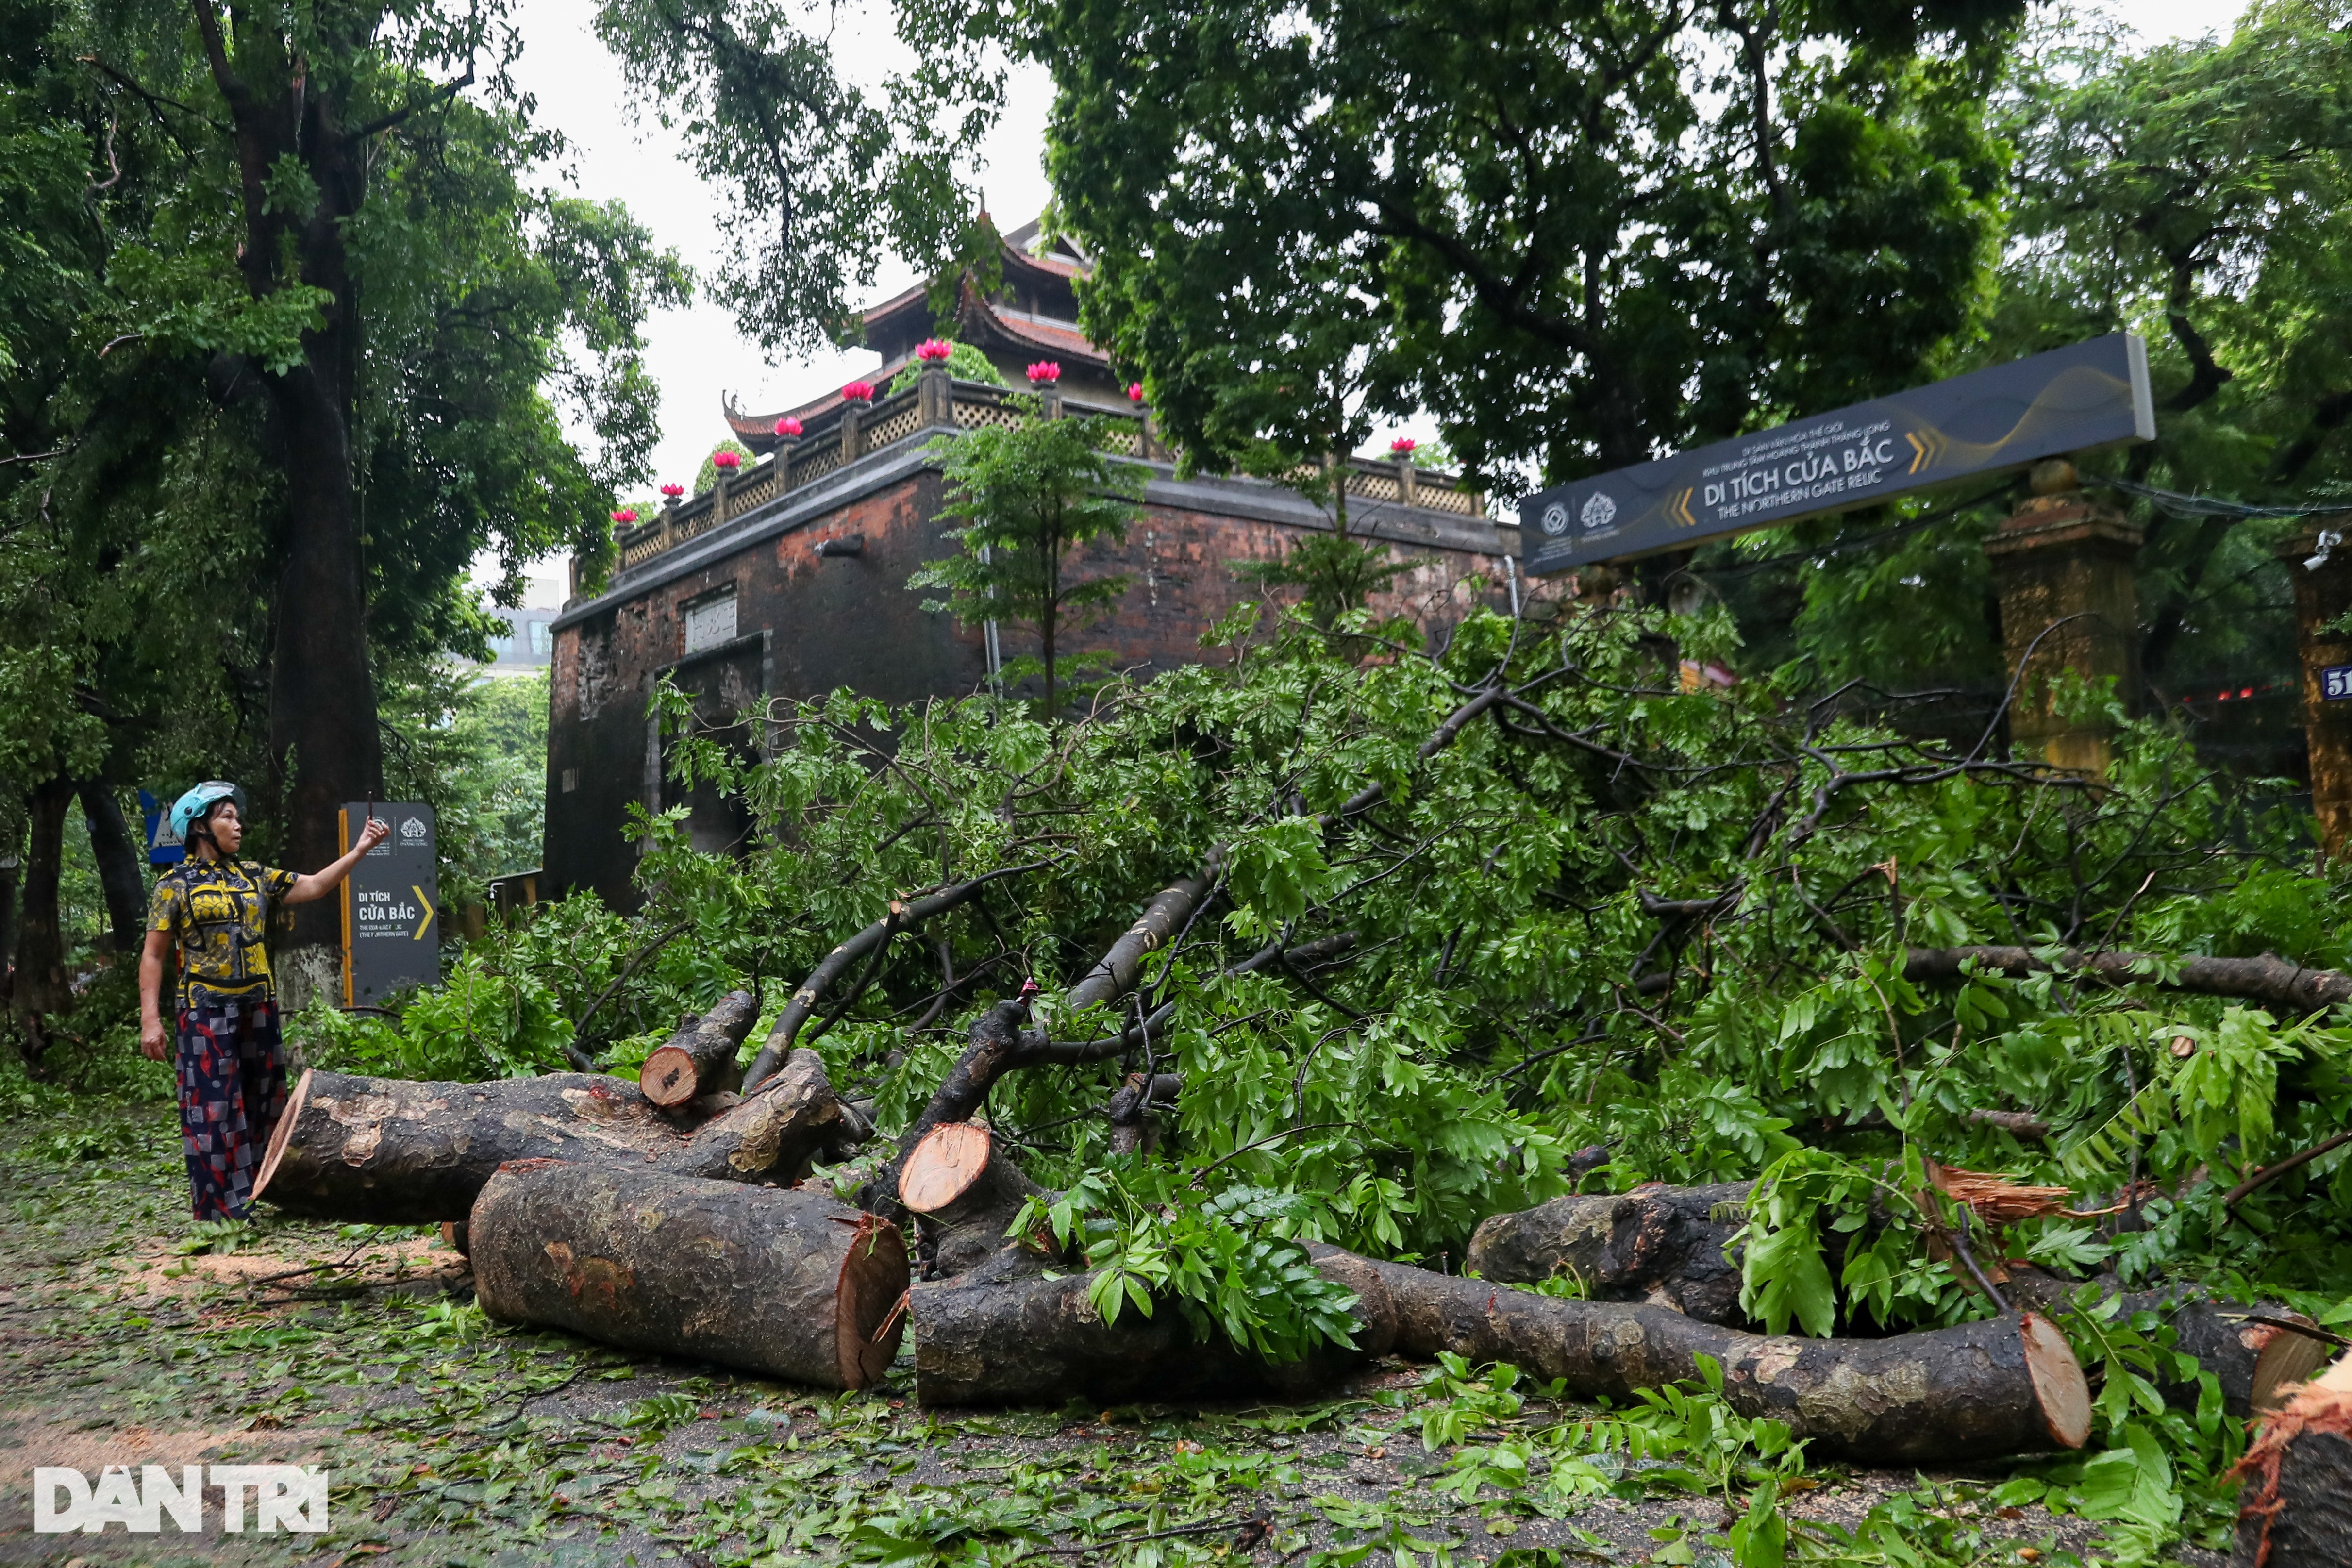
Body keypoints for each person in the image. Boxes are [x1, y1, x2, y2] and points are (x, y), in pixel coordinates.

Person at [138, 783, 388, 1220]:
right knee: (214, 1111)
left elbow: (312, 886)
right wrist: (150, 1020)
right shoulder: (173, 886)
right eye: (227, 817)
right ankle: (220, 1211)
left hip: (259, 1007)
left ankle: (267, 1193)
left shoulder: (253, 875)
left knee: (264, 1102)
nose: (238, 825)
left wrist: (361, 849)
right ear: (199, 827)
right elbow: (153, 955)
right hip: (204, 1011)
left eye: (237, 817)